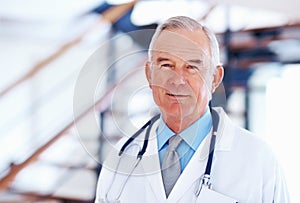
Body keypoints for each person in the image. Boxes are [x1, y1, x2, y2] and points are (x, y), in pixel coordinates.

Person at [95, 16, 290, 203]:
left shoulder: (258, 159)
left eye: (192, 67)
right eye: (166, 65)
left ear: (215, 78)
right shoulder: (120, 157)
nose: (177, 80)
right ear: (149, 74)